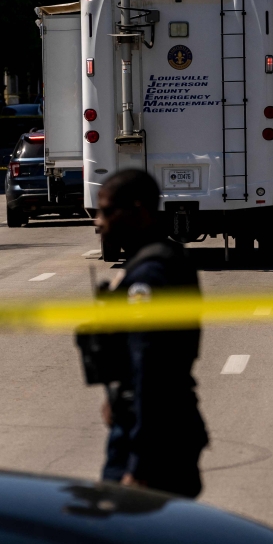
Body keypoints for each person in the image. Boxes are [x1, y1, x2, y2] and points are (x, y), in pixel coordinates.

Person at [90, 169, 209, 497]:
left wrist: (140, 465)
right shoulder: (164, 259)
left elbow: (151, 368)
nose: (98, 222)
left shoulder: (150, 276)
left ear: (139, 211)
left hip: (153, 435)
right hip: (163, 423)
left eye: (107, 211)